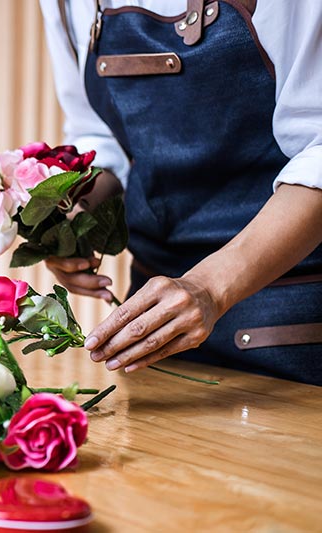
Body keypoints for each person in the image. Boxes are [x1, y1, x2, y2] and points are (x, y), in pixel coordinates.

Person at [39, 0, 322, 385]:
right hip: (152, 322)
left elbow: (318, 149)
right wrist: (78, 216)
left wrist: (208, 287)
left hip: (292, 320)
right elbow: (97, 136)